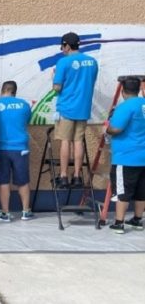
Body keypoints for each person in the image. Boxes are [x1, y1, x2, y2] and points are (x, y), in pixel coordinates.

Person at [52, 32, 98, 189]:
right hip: (83, 108)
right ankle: (77, 176)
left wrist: (53, 78)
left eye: (63, 47)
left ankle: (64, 175)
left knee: (66, 141)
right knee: (78, 141)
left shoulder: (63, 62)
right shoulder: (92, 62)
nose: (62, 50)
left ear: (67, 45)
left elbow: (57, 87)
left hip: (66, 108)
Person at [106, 77, 145, 234]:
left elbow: (116, 129)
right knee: (142, 191)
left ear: (122, 92)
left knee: (123, 191)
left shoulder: (125, 107)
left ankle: (119, 223)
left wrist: (108, 127)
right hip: (143, 157)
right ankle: (137, 220)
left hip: (126, 157)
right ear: (138, 90)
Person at [0, 81, 34, 222]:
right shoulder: (24, 105)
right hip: (20, 148)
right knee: (23, 181)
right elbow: (26, 121)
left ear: (2, 90)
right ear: (15, 92)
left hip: (1, 148)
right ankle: (26, 211)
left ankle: (5, 213)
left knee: (3, 182)